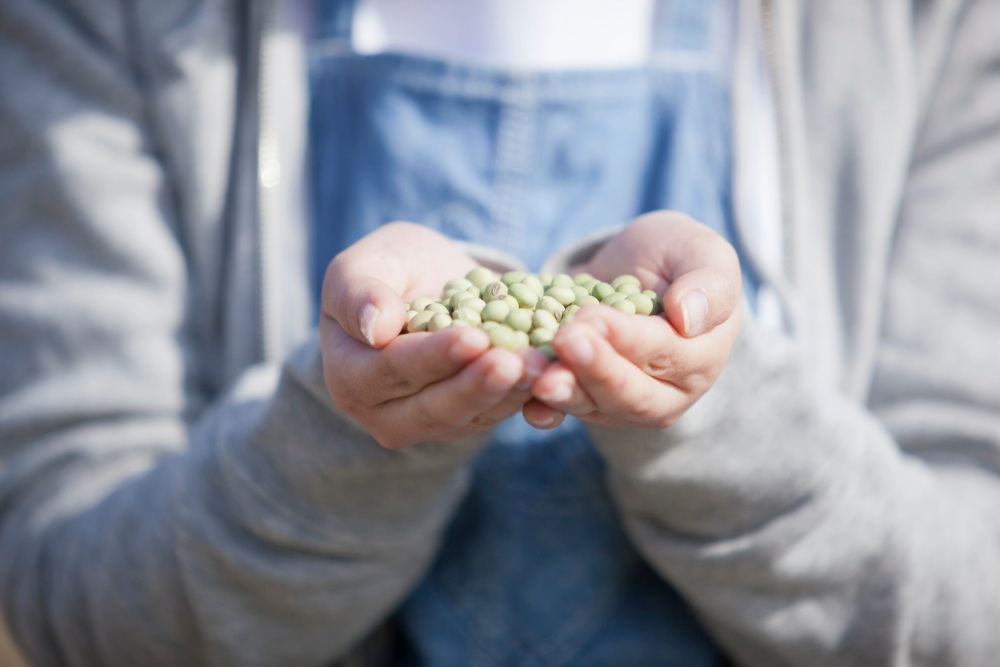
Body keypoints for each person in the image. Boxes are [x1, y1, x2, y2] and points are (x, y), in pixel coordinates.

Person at [1, 0, 999, 666]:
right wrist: (342, 427)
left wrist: (709, 407)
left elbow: (969, 602)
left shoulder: (919, 25)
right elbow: (70, 602)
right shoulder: (114, 20)